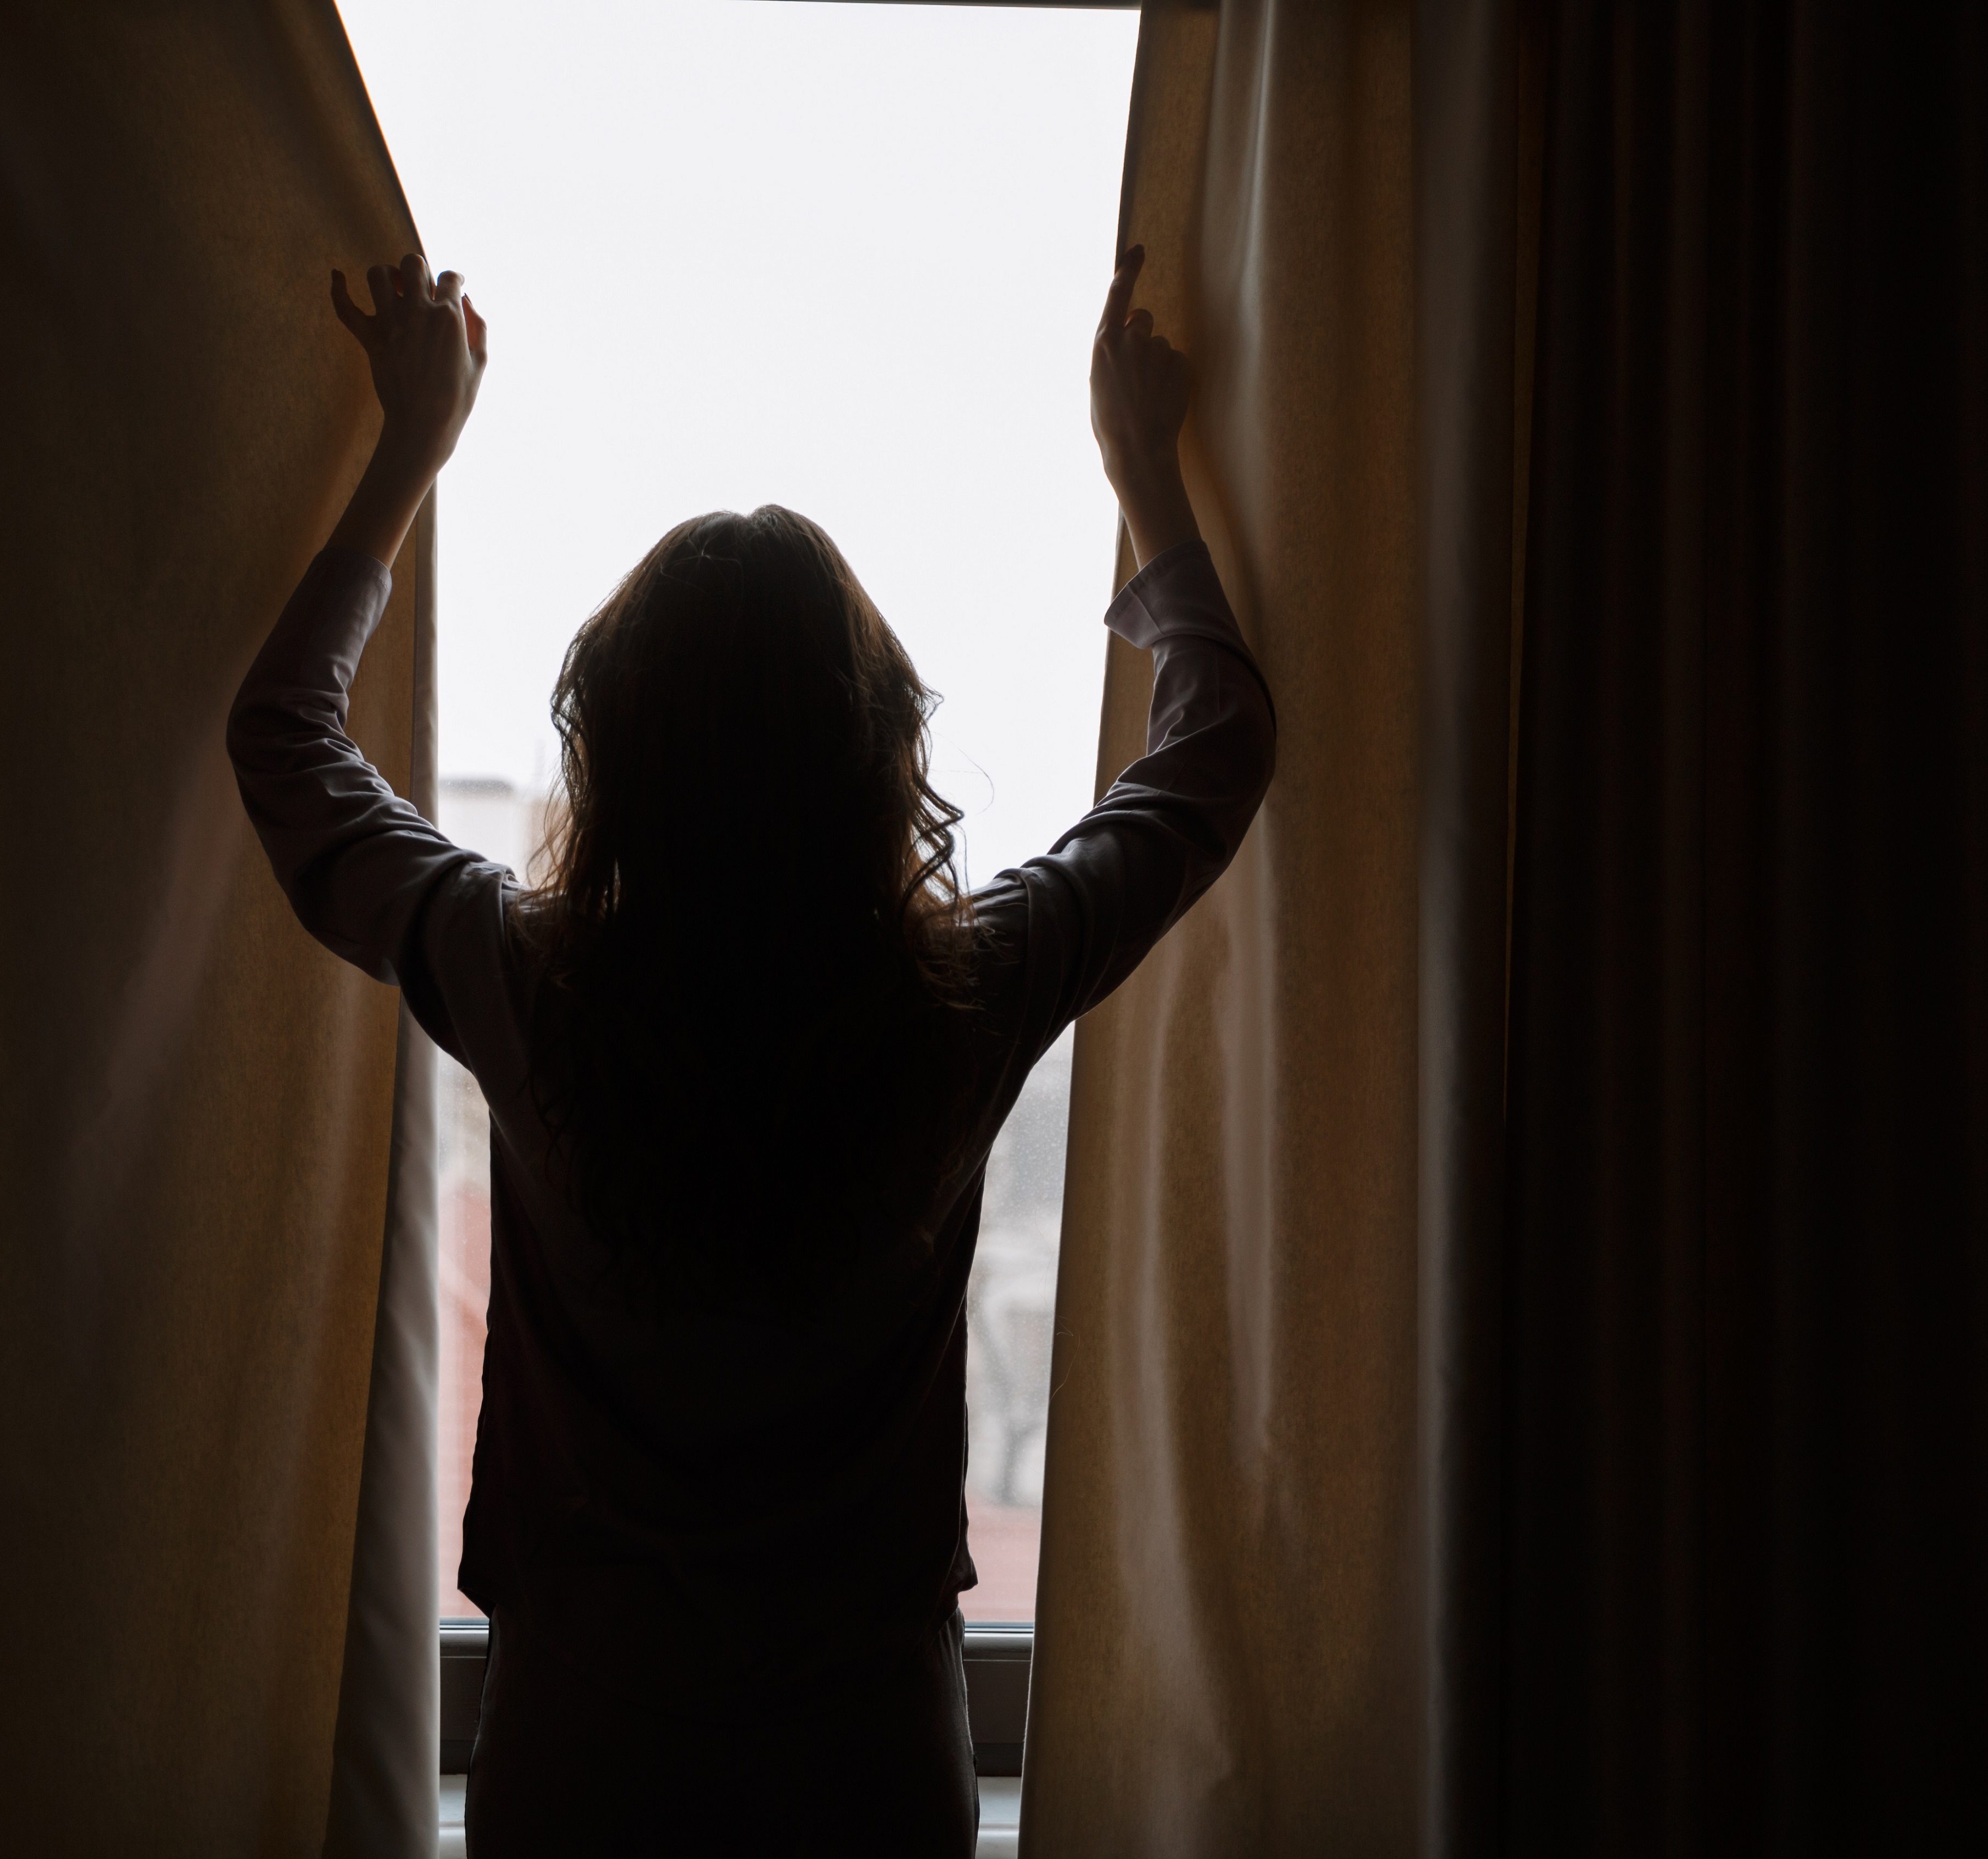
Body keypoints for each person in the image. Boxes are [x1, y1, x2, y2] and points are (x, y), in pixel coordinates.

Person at [228, 245, 1274, 1857]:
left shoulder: (526, 978)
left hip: (587, 1731)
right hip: (866, 1738)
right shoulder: (966, 991)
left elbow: (287, 740)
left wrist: (407, 455)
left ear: (614, 750)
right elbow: (1214, 748)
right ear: (879, 754)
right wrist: (1144, 472)